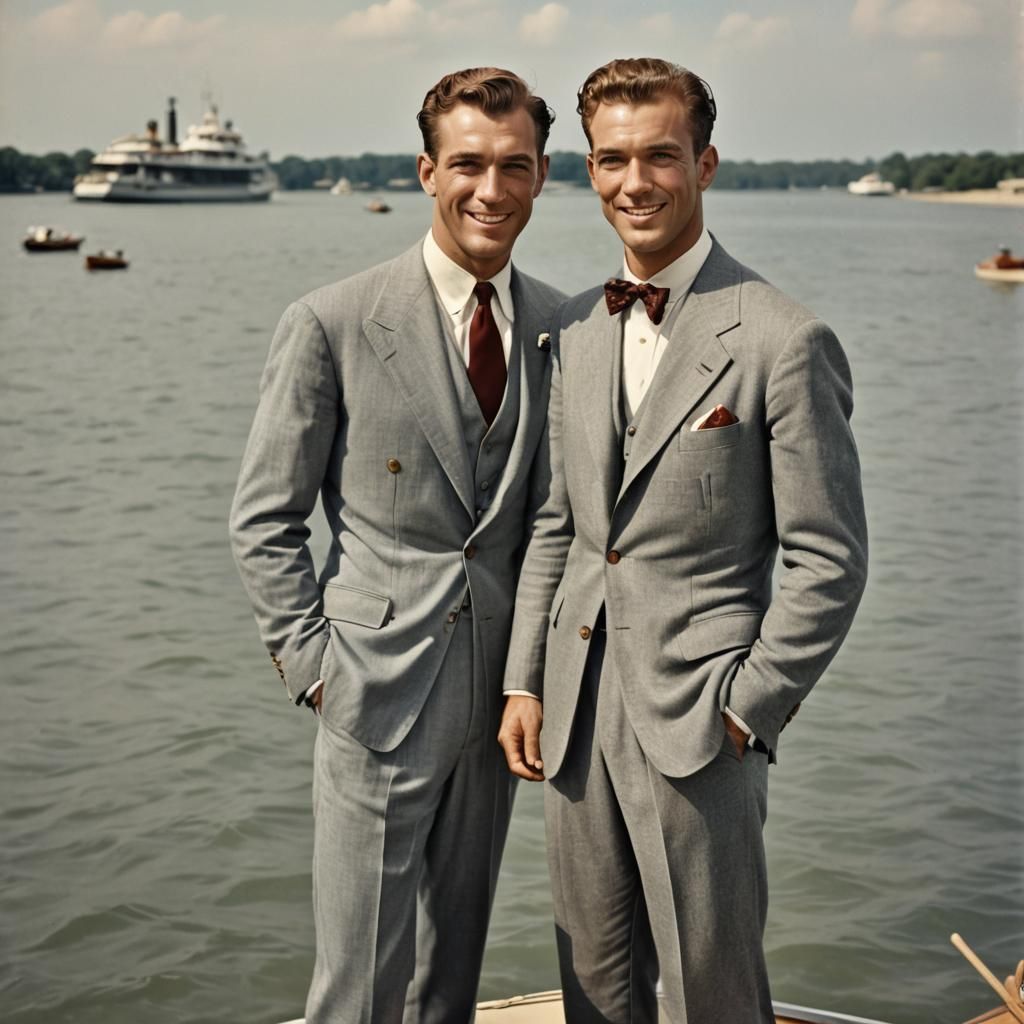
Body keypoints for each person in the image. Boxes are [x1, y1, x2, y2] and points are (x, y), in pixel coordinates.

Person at [498, 58, 868, 1023]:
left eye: (660, 154)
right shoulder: (571, 329)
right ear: (587, 171)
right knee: (593, 980)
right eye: (613, 158)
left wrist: (747, 708)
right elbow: (558, 525)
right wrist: (526, 679)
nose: (637, 181)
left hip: (704, 718)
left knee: (714, 989)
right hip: (574, 712)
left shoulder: (784, 339)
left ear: (705, 162)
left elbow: (829, 559)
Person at [230, 67, 563, 1024]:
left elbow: (549, 520)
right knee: (358, 988)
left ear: (542, 176)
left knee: (450, 981)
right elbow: (264, 517)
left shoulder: (558, 325)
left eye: (514, 166)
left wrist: (528, 675)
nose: (490, 190)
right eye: (468, 165)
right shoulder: (331, 321)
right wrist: (315, 666)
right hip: (372, 689)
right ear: (427, 171)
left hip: (498, 708)